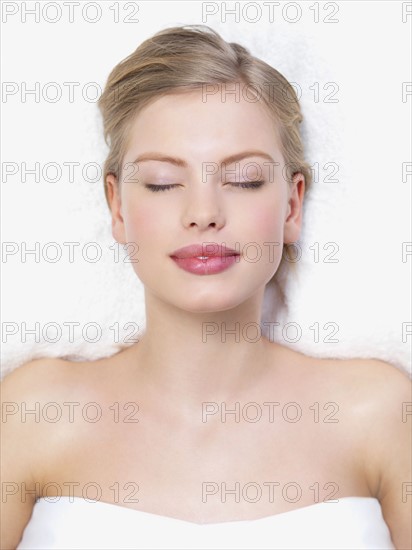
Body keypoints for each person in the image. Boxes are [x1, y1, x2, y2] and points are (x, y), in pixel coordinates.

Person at [2, 24, 410, 550]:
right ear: (118, 207)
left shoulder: (377, 413)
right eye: (162, 183)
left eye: (244, 180)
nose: (203, 214)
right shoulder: (36, 412)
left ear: (291, 205)